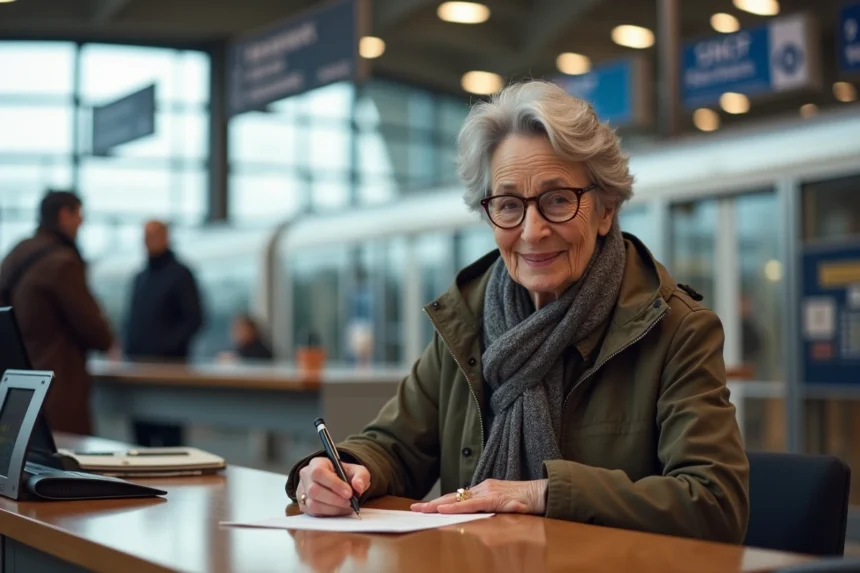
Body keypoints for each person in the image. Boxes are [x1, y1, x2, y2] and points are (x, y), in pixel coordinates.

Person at [286, 80, 750, 543]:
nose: (531, 231)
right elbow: (395, 446)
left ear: (606, 209)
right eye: (509, 205)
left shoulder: (676, 330)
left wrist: (543, 493)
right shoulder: (464, 319)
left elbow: (715, 502)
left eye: (558, 200)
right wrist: (340, 470)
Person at [0, 190, 113, 435]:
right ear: (64, 215)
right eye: (79, 215)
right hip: (56, 389)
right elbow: (95, 331)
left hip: (17, 389)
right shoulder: (62, 263)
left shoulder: (15, 255)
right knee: (63, 456)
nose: (82, 223)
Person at [124, 220, 204, 446]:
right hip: (138, 372)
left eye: (152, 236)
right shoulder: (140, 277)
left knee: (170, 441)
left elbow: (194, 319)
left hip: (170, 373)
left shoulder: (181, 274)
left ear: (166, 238)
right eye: (145, 237)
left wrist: (165, 349)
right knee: (140, 442)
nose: (147, 242)